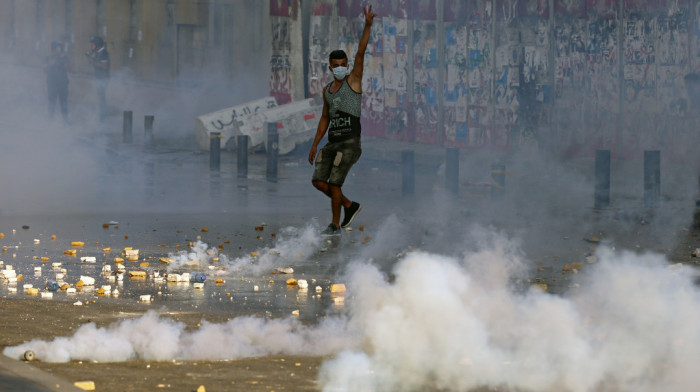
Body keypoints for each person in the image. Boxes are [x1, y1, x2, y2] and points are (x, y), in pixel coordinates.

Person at [308, 5, 376, 236]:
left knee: (335, 183)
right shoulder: (327, 90)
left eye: (342, 65)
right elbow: (324, 117)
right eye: (335, 66)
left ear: (347, 67)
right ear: (330, 68)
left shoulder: (353, 81)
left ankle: (335, 225)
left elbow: (361, 52)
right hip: (332, 142)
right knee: (318, 181)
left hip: (349, 142)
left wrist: (367, 25)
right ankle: (349, 205)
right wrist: (315, 143)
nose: (339, 69)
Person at [85, 36, 110, 121]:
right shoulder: (97, 53)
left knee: (102, 97)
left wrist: (93, 62)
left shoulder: (103, 53)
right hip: (99, 78)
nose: (92, 46)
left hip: (103, 78)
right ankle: (101, 114)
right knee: (100, 96)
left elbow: (103, 65)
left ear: (97, 45)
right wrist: (89, 55)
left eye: (93, 44)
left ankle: (103, 116)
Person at [44, 41, 69, 122]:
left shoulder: (63, 57)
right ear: (53, 49)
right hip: (52, 84)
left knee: (63, 102)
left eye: (60, 48)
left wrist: (63, 58)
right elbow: (45, 69)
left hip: (63, 83)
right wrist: (52, 62)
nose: (59, 50)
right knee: (52, 102)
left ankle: (65, 120)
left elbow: (68, 68)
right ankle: (50, 119)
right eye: (57, 48)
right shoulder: (48, 58)